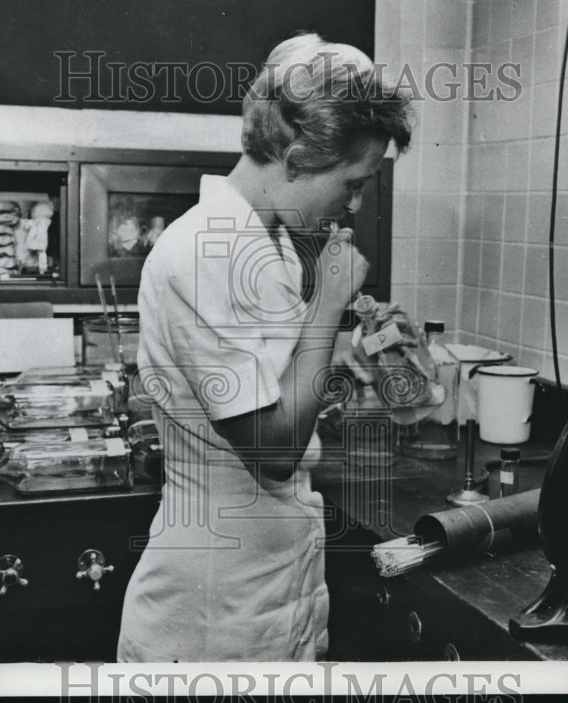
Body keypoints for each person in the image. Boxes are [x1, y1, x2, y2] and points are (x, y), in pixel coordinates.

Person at [117, 32, 413, 662]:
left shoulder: (264, 244)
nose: (354, 204)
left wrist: (345, 350)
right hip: (214, 615)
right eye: (353, 182)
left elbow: (273, 384)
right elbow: (273, 449)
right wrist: (328, 304)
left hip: (264, 590)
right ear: (301, 154)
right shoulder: (207, 249)